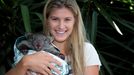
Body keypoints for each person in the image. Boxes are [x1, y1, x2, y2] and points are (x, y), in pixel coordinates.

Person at [6, 0, 101, 75]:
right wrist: (24, 63)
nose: (61, 26)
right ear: (47, 20)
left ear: (75, 22)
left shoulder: (86, 50)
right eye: (55, 19)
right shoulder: (32, 46)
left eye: (67, 19)